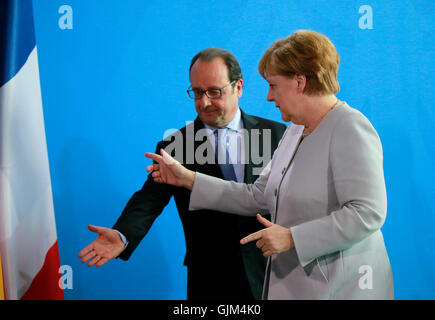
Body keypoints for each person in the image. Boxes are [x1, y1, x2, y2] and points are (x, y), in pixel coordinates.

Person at [146, 31, 394, 299]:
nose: (268, 97)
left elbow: (368, 212)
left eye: (273, 85)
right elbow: (258, 194)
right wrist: (188, 179)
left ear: (300, 81)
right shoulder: (295, 130)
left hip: (345, 289)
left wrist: (293, 238)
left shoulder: (349, 126)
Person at [78, 48, 287, 300]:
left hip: (273, 273)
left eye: (214, 91)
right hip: (211, 280)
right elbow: (149, 200)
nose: (204, 102)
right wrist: (123, 234)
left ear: (238, 87)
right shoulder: (175, 147)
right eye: (197, 92)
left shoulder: (276, 134)